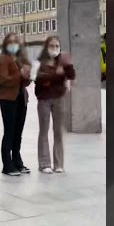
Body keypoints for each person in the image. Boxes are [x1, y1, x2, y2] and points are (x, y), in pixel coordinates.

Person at [0, 32, 32, 176]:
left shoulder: (20, 59)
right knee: (9, 131)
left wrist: (26, 76)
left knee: (18, 132)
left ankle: (17, 161)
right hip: (8, 99)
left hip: (21, 98)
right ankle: (7, 165)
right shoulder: (4, 59)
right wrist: (19, 74)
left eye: (16, 42)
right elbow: (3, 79)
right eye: (10, 42)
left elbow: (25, 82)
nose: (13, 45)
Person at [33, 35, 76, 174]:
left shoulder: (62, 61)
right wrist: (57, 76)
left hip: (59, 98)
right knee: (44, 130)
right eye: (51, 46)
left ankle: (59, 164)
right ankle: (44, 163)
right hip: (44, 99)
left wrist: (67, 67)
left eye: (57, 46)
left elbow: (71, 75)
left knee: (58, 131)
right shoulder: (39, 63)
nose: (54, 48)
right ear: (46, 47)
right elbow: (39, 80)